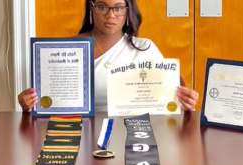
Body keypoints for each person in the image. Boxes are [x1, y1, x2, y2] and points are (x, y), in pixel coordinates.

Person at [18, 0, 199, 112]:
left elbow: (170, 99)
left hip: (134, 135)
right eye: (103, 7)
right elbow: (45, 103)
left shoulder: (145, 49)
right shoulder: (66, 50)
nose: (110, 15)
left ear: (127, 10)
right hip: (80, 134)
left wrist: (185, 102)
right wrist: (28, 104)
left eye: (118, 8)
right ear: (92, 7)